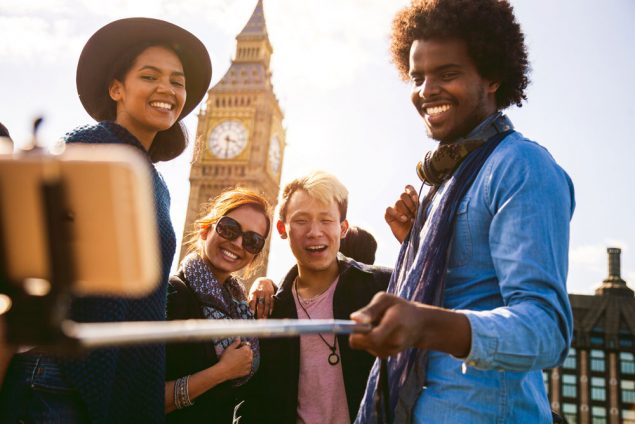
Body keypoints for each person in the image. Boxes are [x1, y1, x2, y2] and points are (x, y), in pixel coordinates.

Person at [349, 1, 574, 423]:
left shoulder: (522, 166)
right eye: (418, 78)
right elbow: (462, 282)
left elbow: (547, 330)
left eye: (447, 74)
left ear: (492, 75)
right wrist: (415, 245)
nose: (426, 90)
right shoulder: (444, 180)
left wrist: (426, 325)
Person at [0, 18, 211, 423]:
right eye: (149, 76)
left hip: (92, 375)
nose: (167, 89)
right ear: (117, 88)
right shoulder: (90, 149)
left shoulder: (148, 175)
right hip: (61, 377)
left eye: (177, 81)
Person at [254, 171, 392, 424]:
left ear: (343, 229)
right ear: (283, 229)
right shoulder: (269, 310)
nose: (314, 232)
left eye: (326, 220)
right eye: (302, 220)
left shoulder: (383, 287)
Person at [165, 187, 271, 423]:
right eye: (229, 228)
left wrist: (267, 282)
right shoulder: (173, 294)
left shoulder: (240, 308)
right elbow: (140, 397)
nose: (237, 243)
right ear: (205, 229)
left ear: (255, 256)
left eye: (252, 241)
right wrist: (221, 372)